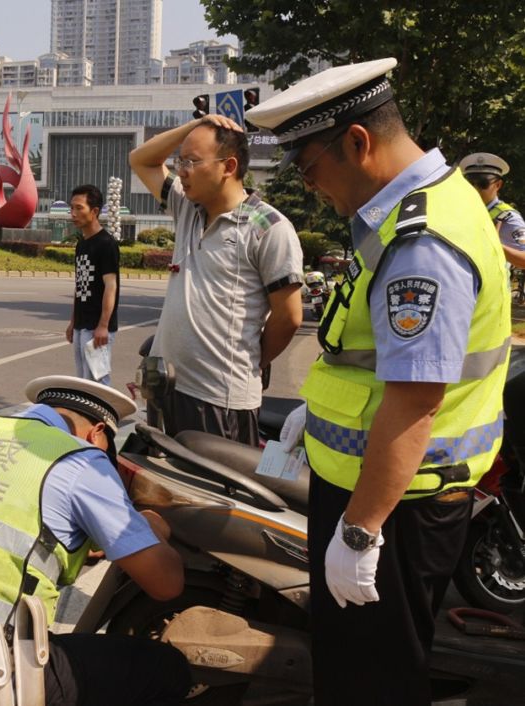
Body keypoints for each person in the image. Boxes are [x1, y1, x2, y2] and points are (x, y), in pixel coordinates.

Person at [249, 59, 511, 705]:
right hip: (393, 491)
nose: (313, 191)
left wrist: (361, 534)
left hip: (395, 506)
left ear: (358, 143)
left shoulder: (421, 243)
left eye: (311, 170)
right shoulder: (430, 207)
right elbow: (375, 355)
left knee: (369, 682)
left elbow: (416, 400)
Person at [0, 375, 192, 705]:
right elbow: (166, 584)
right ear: (97, 432)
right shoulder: (81, 458)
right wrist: (152, 526)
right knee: (166, 669)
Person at [129, 114, 303, 446]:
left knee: (214, 495)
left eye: (192, 162)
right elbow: (140, 159)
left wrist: (252, 360)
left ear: (229, 166)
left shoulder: (267, 227)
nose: (181, 171)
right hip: (167, 389)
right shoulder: (186, 208)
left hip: (219, 400)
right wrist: (196, 125)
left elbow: (289, 316)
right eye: (180, 161)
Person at [65, 184, 120, 385]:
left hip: (97, 326)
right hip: (81, 324)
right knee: (83, 382)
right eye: (72, 208)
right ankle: (89, 418)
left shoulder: (106, 244)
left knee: (98, 381)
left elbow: (110, 286)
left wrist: (103, 325)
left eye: (79, 208)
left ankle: (105, 417)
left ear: (95, 211)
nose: (73, 213)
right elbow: (80, 286)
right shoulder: (82, 245)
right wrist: (73, 322)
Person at [459, 152, 525, 269]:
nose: (475, 188)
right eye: (470, 183)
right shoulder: (462, 211)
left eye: (482, 183)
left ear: (498, 185)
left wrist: (495, 247)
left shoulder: (508, 218)